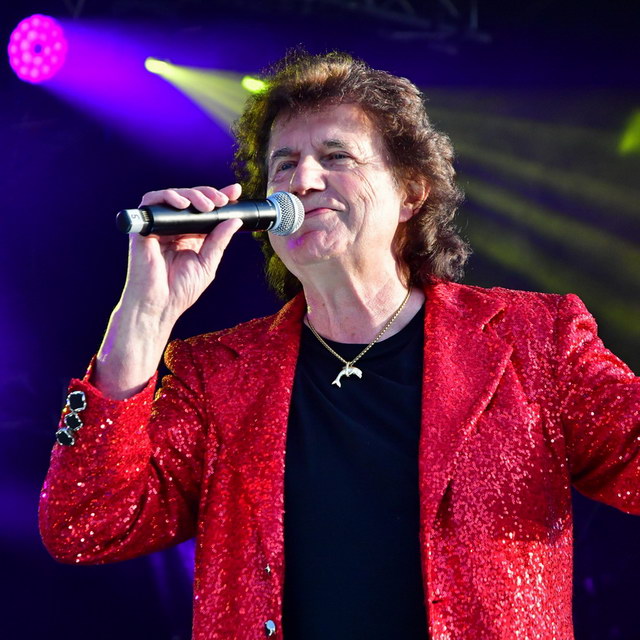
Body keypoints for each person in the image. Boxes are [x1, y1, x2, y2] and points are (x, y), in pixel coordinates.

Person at [39, 51, 639, 640]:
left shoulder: (535, 341)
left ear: (410, 193)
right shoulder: (216, 374)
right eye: (283, 165)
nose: (301, 181)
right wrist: (145, 315)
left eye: (336, 156)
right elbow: (86, 523)